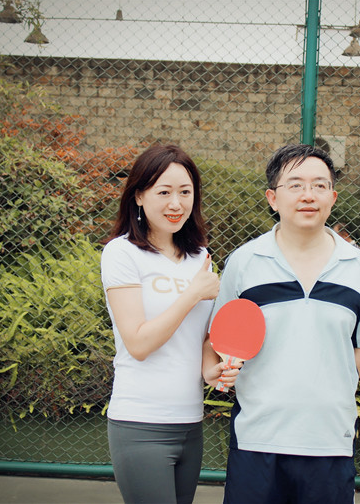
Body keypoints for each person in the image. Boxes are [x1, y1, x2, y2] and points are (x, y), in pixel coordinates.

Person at [212, 144, 360, 504]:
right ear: (273, 198)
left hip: (330, 442)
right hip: (257, 440)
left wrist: (324, 386)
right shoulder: (244, 262)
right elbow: (219, 339)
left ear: (332, 197)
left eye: (319, 185)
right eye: (295, 185)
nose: (308, 195)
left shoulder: (359, 267)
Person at [100, 144, 237, 504]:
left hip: (190, 423)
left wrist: (211, 369)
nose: (176, 203)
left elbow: (200, 337)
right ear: (139, 195)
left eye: (185, 192)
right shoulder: (121, 252)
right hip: (140, 422)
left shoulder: (199, 257)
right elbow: (139, 344)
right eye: (164, 192)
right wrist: (191, 294)